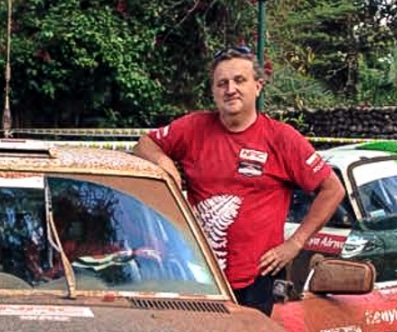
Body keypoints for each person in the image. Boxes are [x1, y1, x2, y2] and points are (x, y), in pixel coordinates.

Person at [133, 47, 345, 314]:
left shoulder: (282, 138)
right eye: (221, 83)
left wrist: (295, 243)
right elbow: (145, 144)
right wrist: (164, 163)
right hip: (198, 275)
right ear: (213, 91)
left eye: (239, 80)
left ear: (258, 86)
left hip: (257, 279)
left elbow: (332, 189)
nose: (230, 89)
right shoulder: (193, 128)